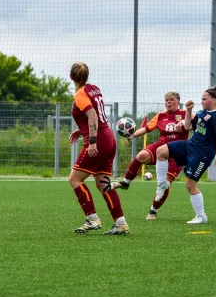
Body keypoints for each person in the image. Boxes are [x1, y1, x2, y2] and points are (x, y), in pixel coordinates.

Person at [68, 62, 129, 235]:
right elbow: (98, 115)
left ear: (71, 77)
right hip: (108, 137)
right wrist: (83, 130)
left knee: (75, 180)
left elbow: (92, 114)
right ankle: (120, 223)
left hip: (99, 140)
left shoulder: (79, 94)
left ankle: (92, 219)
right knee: (103, 184)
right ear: (87, 76)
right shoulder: (94, 89)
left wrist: (92, 140)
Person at [154, 86, 216, 224]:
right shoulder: (200, 113)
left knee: (190, 184)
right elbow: (188, 126)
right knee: (161, 151)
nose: (202, 101)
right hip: (190, 145)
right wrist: (188, 111)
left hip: (202, 154)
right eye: (201, 99)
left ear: (213, 100)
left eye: (204, 99)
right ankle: (162, 184)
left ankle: (201, 216)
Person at [113, 91, 189, 220]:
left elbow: (194, 125)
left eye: (171, 99)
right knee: (142, 155)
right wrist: (133, 135)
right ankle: (125, 183)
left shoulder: (185, 114)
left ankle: (153, 211)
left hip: (178, 152)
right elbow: (146, 129)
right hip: (161, 147)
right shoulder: (160, 116)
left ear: (178, 101)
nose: (169, 102)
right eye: (166, 100)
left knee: (165, 184)